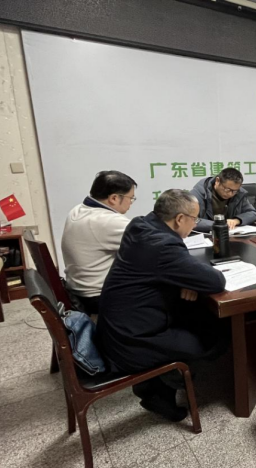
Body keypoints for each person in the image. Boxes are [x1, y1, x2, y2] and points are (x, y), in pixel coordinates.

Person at [97, 190, 227, 422]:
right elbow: (216, 281)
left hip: (117, 325)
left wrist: (185, 279)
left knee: (196, 314)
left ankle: (157, 385)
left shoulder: (140, 225)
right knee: (215, 336)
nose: (195, 224)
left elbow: (160, 268)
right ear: (179, 219)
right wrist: (189, 278)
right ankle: (159, 389)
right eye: (194, 219)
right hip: (133, 339)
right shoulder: (162, 245)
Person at [61, 170, 137, 315]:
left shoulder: (78, 210)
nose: (131, 203)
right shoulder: (107, 221)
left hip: (78, 289)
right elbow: (152, 242)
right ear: (114, 198)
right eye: (131, 198)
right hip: (99, 296)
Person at [190, 167, 256, 232]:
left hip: (229, 234)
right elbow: (190, 219)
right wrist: (219, 225)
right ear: (217, 181)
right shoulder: (199, 193)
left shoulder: (239, 193)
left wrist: (236, 220)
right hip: (206, 234)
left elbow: (252, 213)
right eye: (227, 189)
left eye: (234, 191)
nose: (230, 194)